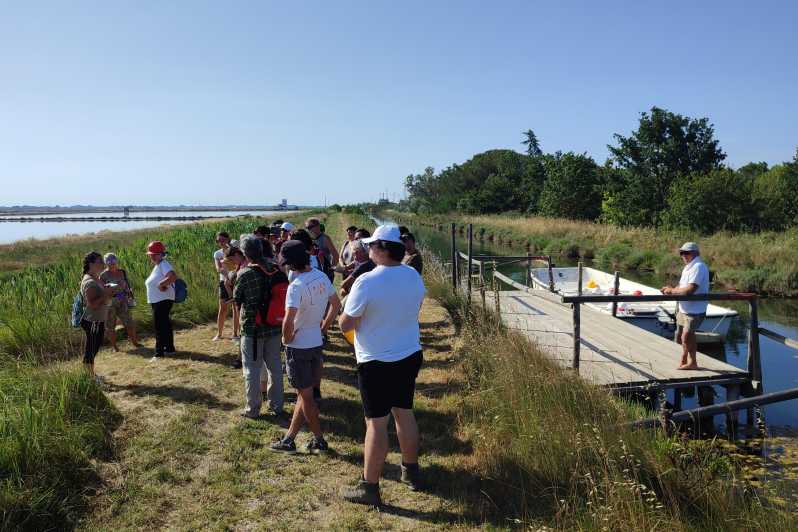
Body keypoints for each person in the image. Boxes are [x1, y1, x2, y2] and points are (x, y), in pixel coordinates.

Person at [339, 224, 426, 506]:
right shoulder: (413, 275)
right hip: (409, 353)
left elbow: (346, 323)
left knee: (376, 424)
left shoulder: (367, 281)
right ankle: (411, 472)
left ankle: (370, 487)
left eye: (372, 245)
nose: (368, 249)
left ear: (384, 249)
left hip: (376, 360)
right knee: (404, 412)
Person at [270, 240, 340, 454]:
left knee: (306, 397)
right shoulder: (321, 276)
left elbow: (288, 320)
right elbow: (336, 304)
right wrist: (323, 328)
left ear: (289, 264)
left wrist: (286, 339)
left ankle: (319, 440)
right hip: (315, 342)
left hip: (298, 346)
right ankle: (289, 439)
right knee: (305, 393)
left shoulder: (296, 286)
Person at [234, 236, 285, 418]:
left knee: (252, 370)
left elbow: (237, 299)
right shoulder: (276, 269)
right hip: (275, 327)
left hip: (252, 330)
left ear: (246, 254)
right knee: (275, 367)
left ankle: (253, 409)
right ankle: (277, 406)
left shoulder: (245, 274)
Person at [661, 242, 710, 370]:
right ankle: (685, 356)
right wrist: (670, 288)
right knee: (682, 336)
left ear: (695, 253)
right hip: (684, 308)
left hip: (695, 310)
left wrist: (671, 291)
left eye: (686, 253)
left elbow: (689, 290)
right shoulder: (688, 267)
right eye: (681, 253)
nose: (683, 255)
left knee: (687, 335)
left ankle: (692, 362)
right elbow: (681, 287)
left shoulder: (698, 266)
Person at [80, 251, 112, 381]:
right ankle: (89, 377)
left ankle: (91, 375)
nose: (103, 264)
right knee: (91, 348)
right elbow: (92, 304)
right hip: (92, 320)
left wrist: (108, 290)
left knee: (95, 346)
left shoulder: (96, 278)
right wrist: (106, 294)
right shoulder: (89, 282)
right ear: (91, 264)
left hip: (98, 319)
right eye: (100, 262)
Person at [100, 252, 141, 351]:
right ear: (106, 263)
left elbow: (127, 285)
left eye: (113, 261)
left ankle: (135, 342)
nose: (112, 264)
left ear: (116, 261)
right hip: (110, 302)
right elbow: (101, 289)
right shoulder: (103, 275)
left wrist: (129, 295)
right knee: (111, 325)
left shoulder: (122, 272)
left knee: (129, 322)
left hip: (123, 300)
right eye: (109, 262)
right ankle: (115, 347)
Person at [145, 240, 177, 361]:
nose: (151, 257)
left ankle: (159, 353)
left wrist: (161, 284)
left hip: (162, 300)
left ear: (160, 254)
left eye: (153, 254)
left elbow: (173, 276)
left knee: (159, 326)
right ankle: (169, 348)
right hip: (160, 300)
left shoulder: (164, 264)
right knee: (165, 324)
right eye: (150, 255)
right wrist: (162, 284)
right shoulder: (159, 265)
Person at [213, 232, 233, 342]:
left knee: (236, 308)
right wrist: (227, 277)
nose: (220, 242)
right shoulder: (217, 253)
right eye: (218, 240)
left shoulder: (234, 250)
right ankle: (219, 333)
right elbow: (218, 268)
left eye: (222, 240)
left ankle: (236, 333)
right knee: (223, 307)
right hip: (224, 281)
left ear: (228, 239)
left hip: (235, 280)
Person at [304, 217, 338, 281]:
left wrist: (330, 270)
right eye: (306, 228)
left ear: (317, 226)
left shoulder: (325, 238)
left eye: (309, 227)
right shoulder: (309, 240)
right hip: (313, 273)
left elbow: (335, 256)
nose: (307, 230)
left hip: (325, 273)